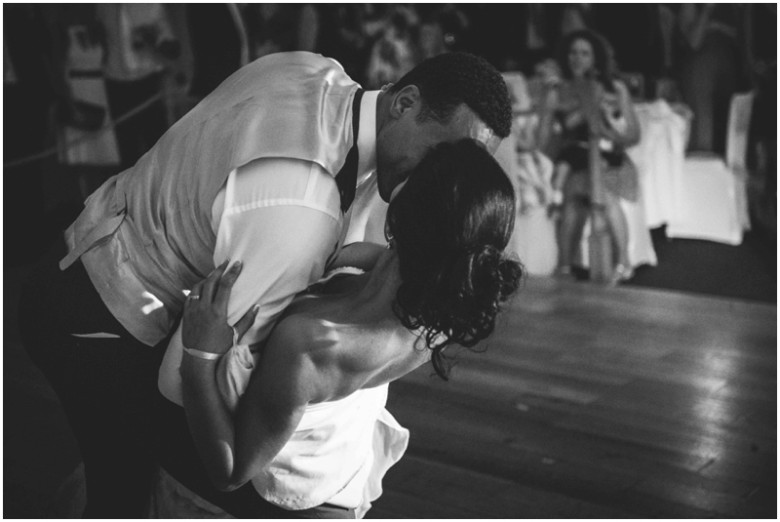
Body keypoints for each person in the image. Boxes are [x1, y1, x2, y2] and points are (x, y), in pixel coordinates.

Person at [18, 51, 511, 517]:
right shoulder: (415, 302)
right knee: (118, 489)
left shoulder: (313, 71)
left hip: (100, 261)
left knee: (118, 490)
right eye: (443, 156)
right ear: (403, 102)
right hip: (96, 309)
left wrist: (202, 356)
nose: (435, 175)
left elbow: (210, 425)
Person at [153, 139, 524, 517]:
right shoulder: (431, 304)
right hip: (339, 472)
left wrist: (200, 357)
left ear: (403, 210)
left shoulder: (311, 343)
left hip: (302, 505)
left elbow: (230, 471)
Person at [540, 29, 640, 283]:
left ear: (596, 58)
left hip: (608, 157)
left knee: (602, 194)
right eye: (573, 53)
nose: (577, 58)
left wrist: (607, 132)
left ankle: (621, 263)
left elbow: (633, 134)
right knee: (574, 194)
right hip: (576, 159)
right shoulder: (558, 91)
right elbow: (544, 140)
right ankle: (565, 266)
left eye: (585, 53)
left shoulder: (614, 88)